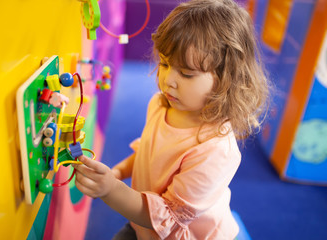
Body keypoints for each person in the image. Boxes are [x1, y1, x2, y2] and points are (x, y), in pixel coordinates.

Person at [73, 0, 270, 239]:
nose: (168, 80)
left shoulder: (216, 149)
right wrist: (117, 172)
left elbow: (168, 216)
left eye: (186, 74)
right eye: (165, 64)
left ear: (226, 79)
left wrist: (111, 190)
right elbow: (148, 154)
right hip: (144, 223)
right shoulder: (159, 104)